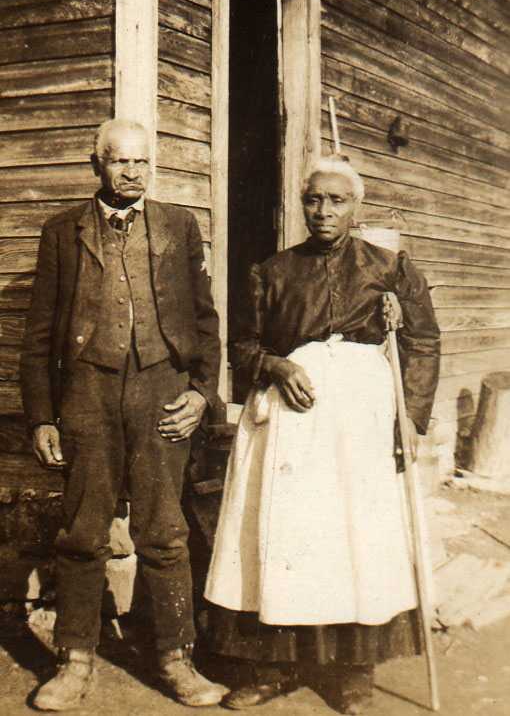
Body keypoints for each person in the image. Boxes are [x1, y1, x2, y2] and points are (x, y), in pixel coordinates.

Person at [204, 155, 440, 713]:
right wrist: (275, 367)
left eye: (336, 201)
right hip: (291, 425)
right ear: (302, 203)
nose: (323, 211)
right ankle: (271, 668)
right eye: (314, 199)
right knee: (284, 540)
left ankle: (353, 675)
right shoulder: (273, 271)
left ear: (355, 208)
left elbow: (423, 342)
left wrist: (410, 420)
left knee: (355, 540)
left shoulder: (390, 268)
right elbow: (241, 347)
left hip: (360, 424)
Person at [20, 119, 228, 710]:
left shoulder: (179, 226)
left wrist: (201, 394)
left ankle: (175, 659)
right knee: (83, 533)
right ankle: (75, 659)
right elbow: (38, 336)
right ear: (98, 166)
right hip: (85, 394)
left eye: (140, 162)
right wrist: (42, 416)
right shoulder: (62, 232)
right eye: (119, 162)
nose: (131, 172)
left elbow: (206, 322)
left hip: (161, 390)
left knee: (163, 532)